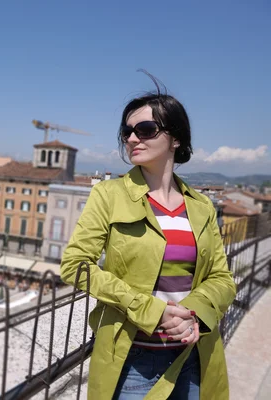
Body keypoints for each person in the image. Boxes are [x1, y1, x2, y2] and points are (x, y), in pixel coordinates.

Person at [60, 75, 236, 400]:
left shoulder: (201, 207)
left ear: (176, 139)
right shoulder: (108, 195)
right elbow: (75, 266)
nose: (131, 139)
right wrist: (150, 310)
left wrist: (195, 313)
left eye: (145, 130)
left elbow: (222, 279)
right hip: (133, 360)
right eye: (127, 131)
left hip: (192, 354)